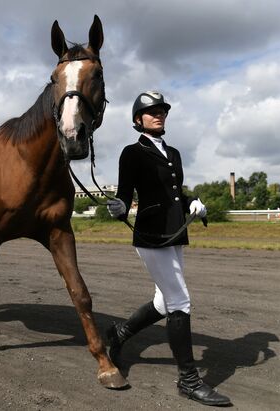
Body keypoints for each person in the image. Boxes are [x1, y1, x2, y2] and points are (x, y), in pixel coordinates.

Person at [106, 91, 231, 406]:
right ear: (138, 120)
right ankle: (189, 381)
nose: (158, 114)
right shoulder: (132, 153)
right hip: (151, 236)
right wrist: (119, 206)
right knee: (180, 301)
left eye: (161, 110)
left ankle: (119, 334)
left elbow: (175, 191)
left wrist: (193, 202)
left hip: (174, 234)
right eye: (151, 112)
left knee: (164, 301)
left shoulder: (173, 152)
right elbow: (124, 196)